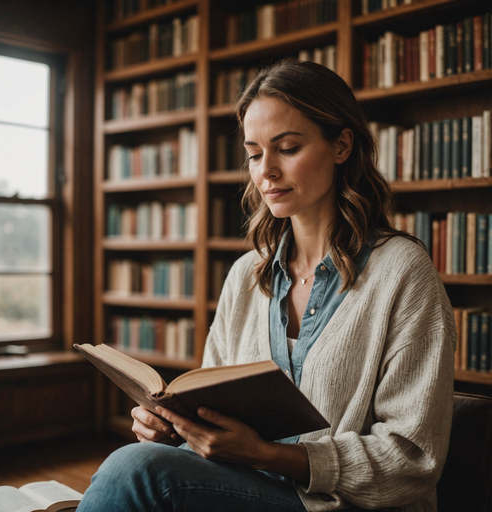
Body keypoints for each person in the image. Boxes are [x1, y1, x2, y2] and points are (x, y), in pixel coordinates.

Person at [77, 59, 456, 512]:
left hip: (340, 504)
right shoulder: (245, 275)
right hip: (245, 487)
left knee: (134, 472)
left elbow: (412, 460)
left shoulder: (402, 272)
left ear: (342, 146)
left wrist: (268, 455)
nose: (266, 172)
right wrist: (175, 428)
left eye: (288, 148)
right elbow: (211, 405)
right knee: (141, 459)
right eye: (254, 154)